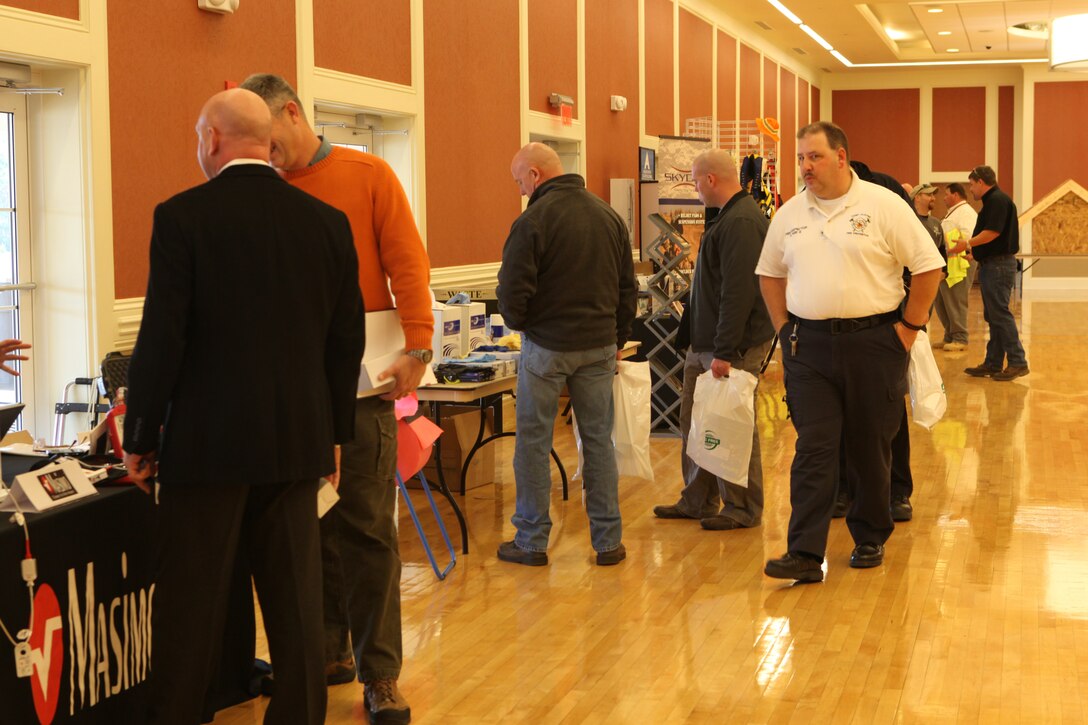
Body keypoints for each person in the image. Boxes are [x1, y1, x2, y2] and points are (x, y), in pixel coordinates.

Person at [122, 88, 366, 725]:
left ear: (211, 141)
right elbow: (346, 343)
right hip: (296, 443)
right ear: (268, 141)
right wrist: (335, 433)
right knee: (295, 609)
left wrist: (141, 434)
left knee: (190, 610)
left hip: (207, 449)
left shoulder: (182, 218)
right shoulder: (327, 224)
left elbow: (161, 339)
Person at [240, 72, 433, 725]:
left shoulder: (369, 174)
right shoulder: (260, 190)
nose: (267, 158)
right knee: (305, 532)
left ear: (293, 113)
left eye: (271, 141)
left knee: (367, 531)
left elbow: (408, 264)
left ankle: (381, 673)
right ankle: (325, 653)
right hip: (283, 395)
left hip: (360, 389)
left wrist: (420, 346)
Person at [756, 122, 944, 582]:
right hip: (809, 347)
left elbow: (928, 267)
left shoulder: (883, 206)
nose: (805, 167)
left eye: (814, 157)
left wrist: (908, 329)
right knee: (814, 449)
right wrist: (783, 330)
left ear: (841, 157)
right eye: (801, 158)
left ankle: (869, 536)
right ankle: (803, 552)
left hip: (874, 343)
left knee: (867, 448)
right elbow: (770, 274)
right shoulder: (790, 214)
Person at [496, 142, 637, 567]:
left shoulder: (533, 220)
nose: (522, 190)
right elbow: (627, 288)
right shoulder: (608, 216)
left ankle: (531, 541)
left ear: (535, 175)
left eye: (521, 181)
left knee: (533, 444)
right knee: (598, 443)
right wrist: (617, 337)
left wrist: (524, 325)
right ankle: (608, 542)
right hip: (598, 345)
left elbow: (512, 291)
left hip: (547, 347)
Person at [652, 149, 774, 531]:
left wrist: (724, 351)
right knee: (697, 423)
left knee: (730, 426)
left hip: (729, 347)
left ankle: (742, 507)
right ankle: (698, 498)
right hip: (706, 343)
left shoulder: (742, 221)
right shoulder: (729, 217)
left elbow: (738, 292)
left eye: (694, 181)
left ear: (709, 180)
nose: (694, 190)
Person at [961, 165, 1029, 381]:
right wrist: (977, 253)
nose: (970, 189)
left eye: (972, 184)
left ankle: (1018, 361)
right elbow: (996, 237)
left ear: (981, 181)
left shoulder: (997, 200)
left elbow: (993, 232)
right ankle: (993, 362)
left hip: (998, 266)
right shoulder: (995, 201)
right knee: (995, 315)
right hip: (995, 263)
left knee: (999, 313)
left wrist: (968, 243)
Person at [935, 182, 978, 352]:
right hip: (947, 262)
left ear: (955, 195)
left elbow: (968, 236)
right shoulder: (953, 213)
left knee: (955, 299)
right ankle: (950, 335)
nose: (944, 198)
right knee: (942, 299)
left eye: (946, 194)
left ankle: (960, 337)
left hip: (960, 261)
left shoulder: (966, 212)